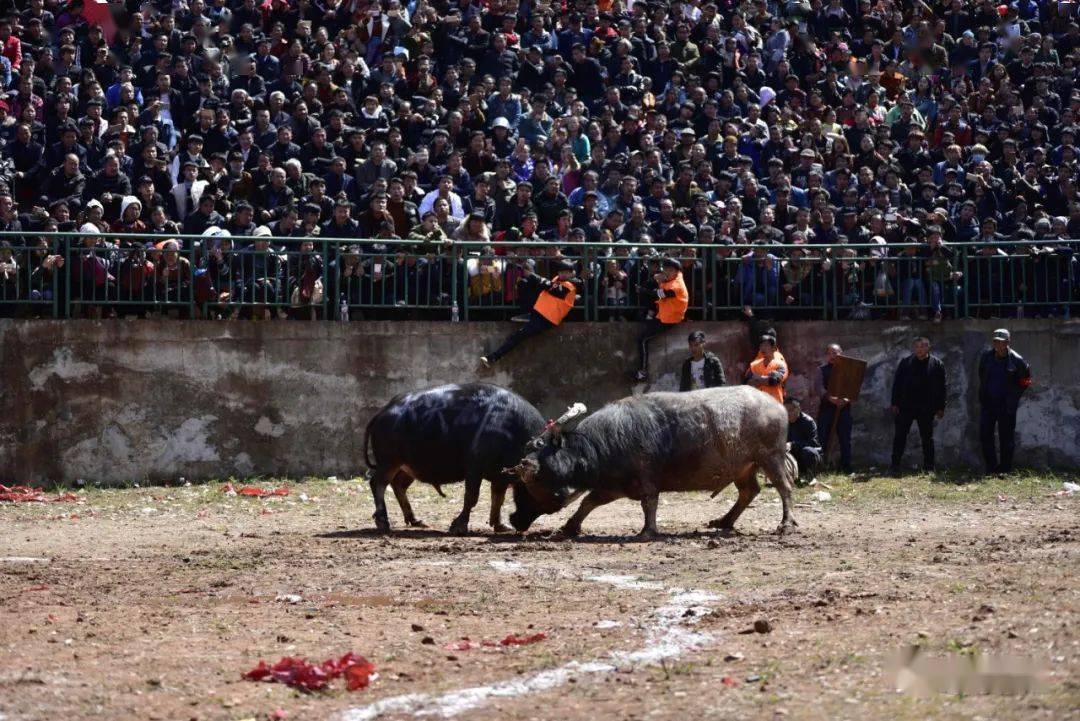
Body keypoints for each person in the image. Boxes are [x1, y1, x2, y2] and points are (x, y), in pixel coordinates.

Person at [481, 259, 577, 367]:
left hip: (547, 319)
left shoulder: (569, 287)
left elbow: (549, 286)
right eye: (561, 271)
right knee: (524, 283)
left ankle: (493, 358)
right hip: (539, 312)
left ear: (571, 273)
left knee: (518, 335)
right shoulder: (558, 279)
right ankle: (527, 315)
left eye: (566, 272)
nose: (563, 274)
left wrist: (532, 275)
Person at [889, 337, 947, 475]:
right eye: (917, 346)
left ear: (928, 347)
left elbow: (942, 387)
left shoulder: (937, 364)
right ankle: (895, 465)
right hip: (906, 406)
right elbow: (897, 384)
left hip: (927, 407)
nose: (920, 349)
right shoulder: (906, 363)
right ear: (914, 348)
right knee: (900, 436)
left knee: (927, 438)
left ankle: (929, 467)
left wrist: (941, 407)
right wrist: (894, 403)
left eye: (923, 346)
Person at [978, 329, 1031, 475]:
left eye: (1000, 341)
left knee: (1006, 438)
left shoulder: (1017, 360)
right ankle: (991, 468)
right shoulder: (987, 357)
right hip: (988, 404)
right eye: (995, 341)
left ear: (1008, 342)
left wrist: (1013, 397)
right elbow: (982, 374)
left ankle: (1005, 470)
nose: (997, 344)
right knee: (985, 435)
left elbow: (1026, 381)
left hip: (1006, 406)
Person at [634, 257, 688, 381]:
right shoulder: (671, 280)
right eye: (665, 270)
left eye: (670, 270)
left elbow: (658, 294)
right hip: (664, 315)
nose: (666, 272)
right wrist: (656, 280)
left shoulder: (676, 285)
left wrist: (643, 290)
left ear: (676, 271)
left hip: (669, 319)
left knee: (642, 340)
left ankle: (642, 373)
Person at [817, 343, 853, 473]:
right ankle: (822, 467)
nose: (833, 355)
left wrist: (846, 400)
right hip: (827, 408)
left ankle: (846, 467)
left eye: (836, 353)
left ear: (841, 353)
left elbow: (853, 388)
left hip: (844, 409)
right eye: (830, 353)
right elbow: (819, 388)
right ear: (827, 355)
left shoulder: (849, 370)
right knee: (823, 437)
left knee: (845, 438)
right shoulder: (821, 370)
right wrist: (831, 399)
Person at [785, 398, 822, 483]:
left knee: (808, 451)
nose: (788, 414)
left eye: (790, 410)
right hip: (794, 455)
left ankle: (810, 475)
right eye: (785, 411)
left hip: (809, 456)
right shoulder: (785, 422)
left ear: (798, 409)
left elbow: (813, 443)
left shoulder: (808, 422)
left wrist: (793, 444)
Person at [744, 335, 788, 404]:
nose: (763, 348)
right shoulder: (754, 365)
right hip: (758, 403)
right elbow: (747, 382)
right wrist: (766, 379)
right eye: (761, 346)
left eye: (766, 345)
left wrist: (758, 378)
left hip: (775, 403)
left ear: (773, 348)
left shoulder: (780, 364)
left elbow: (774, 381)